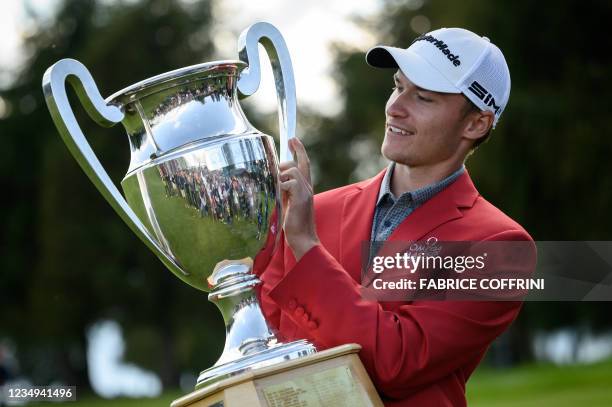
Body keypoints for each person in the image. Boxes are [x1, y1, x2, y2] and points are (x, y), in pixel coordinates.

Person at [255, 27, 534, 406]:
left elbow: (395, 362)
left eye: (423, 97)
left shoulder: (501, 248)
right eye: (397, 86)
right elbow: (261, 342)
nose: (395, 107)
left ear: (475, 124)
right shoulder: (316, 211)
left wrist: (306, 245)